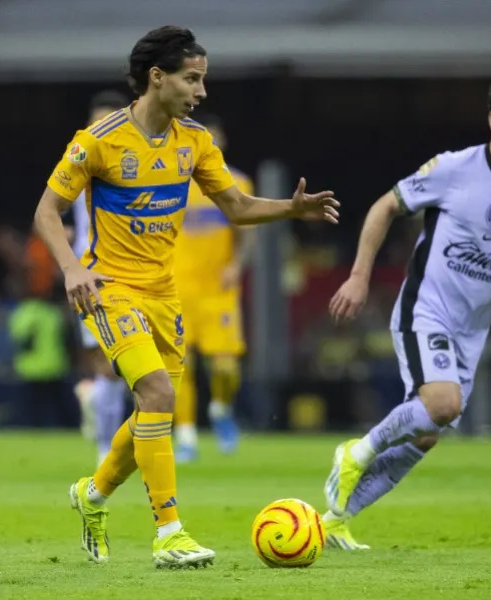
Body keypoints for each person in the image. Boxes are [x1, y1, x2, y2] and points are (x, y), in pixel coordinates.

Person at [32, 25, 339, 568]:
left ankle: (92, 495)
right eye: (192, 79)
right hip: (111, 290)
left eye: (203, 80)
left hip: (164, 294)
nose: (201, 91)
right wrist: (72, 269)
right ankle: (170, 533)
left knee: (153, 409)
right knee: (156, 394)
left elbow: (238, 208)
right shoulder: (98, 139)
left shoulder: (194, 142)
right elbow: (46, 212)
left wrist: (292, 210)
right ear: (158, 77)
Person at [320, 74, 491, 550]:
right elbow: (383, 206)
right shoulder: (454, 168)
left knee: (427, 434)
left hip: (472, 330)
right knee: (442, 405)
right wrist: (359, 276)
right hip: (424, 309)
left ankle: (334, 518)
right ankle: (357, 450)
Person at [173, 113, 254, 461]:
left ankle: (220, 410)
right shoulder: (169, 181)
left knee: (224, 367)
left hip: (217, 290)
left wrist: (236, 265)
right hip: (175, 288)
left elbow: (247, 231)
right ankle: (186, 434)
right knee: (181, 366)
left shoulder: (236, 184)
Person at [68, 90, 132, 465]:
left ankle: (100, 413)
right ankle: (106, 446)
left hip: (130, 272)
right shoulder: (78, 160)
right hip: (89, 273)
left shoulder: (134, 161)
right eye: (97, 123)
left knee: (119, 363)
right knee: (104, 361)